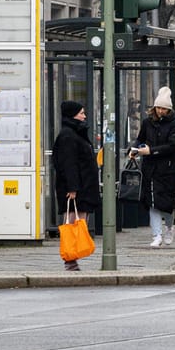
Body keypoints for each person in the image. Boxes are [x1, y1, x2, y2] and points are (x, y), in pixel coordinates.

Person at [51, 101, 99, 271]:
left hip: (81, 186)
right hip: (76, 189)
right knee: (72, 223)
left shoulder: (74, 133)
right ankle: (70, 258)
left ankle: (74, 256)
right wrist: (72, 188)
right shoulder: (68, 136)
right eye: (81, 113)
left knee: (79, 222)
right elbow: (68, 164)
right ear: (72, 115)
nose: (84, 116)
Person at [132, 86, 175, 247]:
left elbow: (173, 146)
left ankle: (168, 228)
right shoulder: (147, 122)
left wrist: (151, 151)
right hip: (150, 168)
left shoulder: (174, 124)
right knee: (152, 202)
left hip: (167, 169)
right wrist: (134, 149)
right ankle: (156, 235)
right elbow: (140, 139)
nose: (161, 111)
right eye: (159, 107)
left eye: (164, 108)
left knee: (166, 203)